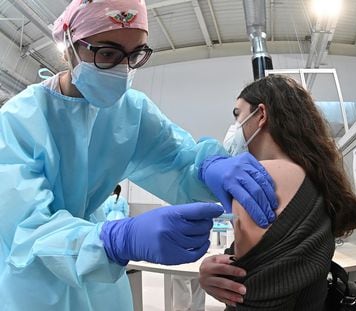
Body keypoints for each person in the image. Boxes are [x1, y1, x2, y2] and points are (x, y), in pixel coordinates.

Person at [0, 1, 278, 310]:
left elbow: (178, 161)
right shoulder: (18, 120)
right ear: (69, 47)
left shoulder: (130, 111)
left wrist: (209, 167)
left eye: (135, 55)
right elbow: (28, 231)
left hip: (101, 286)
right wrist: (118, 239)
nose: (123, 69)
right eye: (108, 54)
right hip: (33, 285)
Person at [199, 75, 356, 310]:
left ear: (261, 115)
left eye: (238, 114)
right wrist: (219, 266)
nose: (235, 126)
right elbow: (267, 262)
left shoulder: (257, 178)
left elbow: (246, 294)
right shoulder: (318, 178)